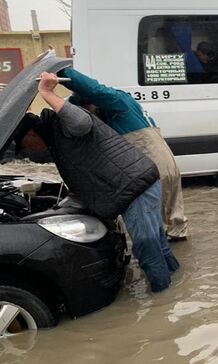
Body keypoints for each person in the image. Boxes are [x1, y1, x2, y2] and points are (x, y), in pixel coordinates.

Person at [15, 72, 179, 292]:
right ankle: (176, 289)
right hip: (136, 183)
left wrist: (46, 92)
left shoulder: (62, 123)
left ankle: (164, 305)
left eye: (25, 144)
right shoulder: (55, 137)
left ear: (33, 134)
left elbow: (81, 122)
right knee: (157, 244)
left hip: (135, 186)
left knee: (146, 249)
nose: (28, 151)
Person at [58, 67, 190, 241]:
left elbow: (93, 88)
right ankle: (180, 259)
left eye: (87, 109)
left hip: (155, 171)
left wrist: (62, 72)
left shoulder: (117, 101)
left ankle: (165, 262)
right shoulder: (127, 111)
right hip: (169, 166)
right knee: (175, 225)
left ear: (92, 103)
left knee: (151, 230)